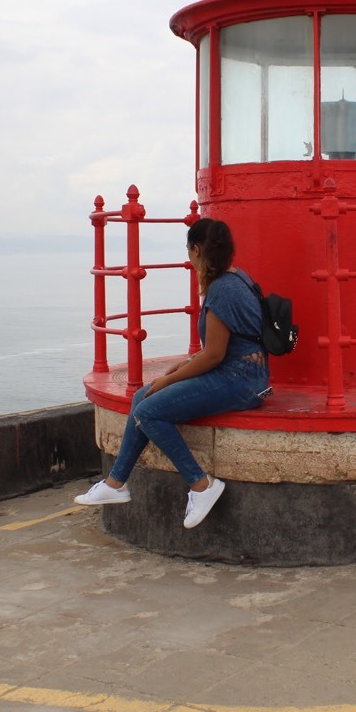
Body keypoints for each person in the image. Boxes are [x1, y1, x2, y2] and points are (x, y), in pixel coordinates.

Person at [75, 217, 271, 528]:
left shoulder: (221, 290)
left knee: (149, 411)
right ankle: (115, 485)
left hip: (241, 379)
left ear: (196, 249)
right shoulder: (238, 278)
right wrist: (189, 361)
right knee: (143, 396)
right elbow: (221, 347)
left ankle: (201, 485)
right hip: (244, 371)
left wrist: (168, 378)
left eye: (189, 250)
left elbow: (215, 356)